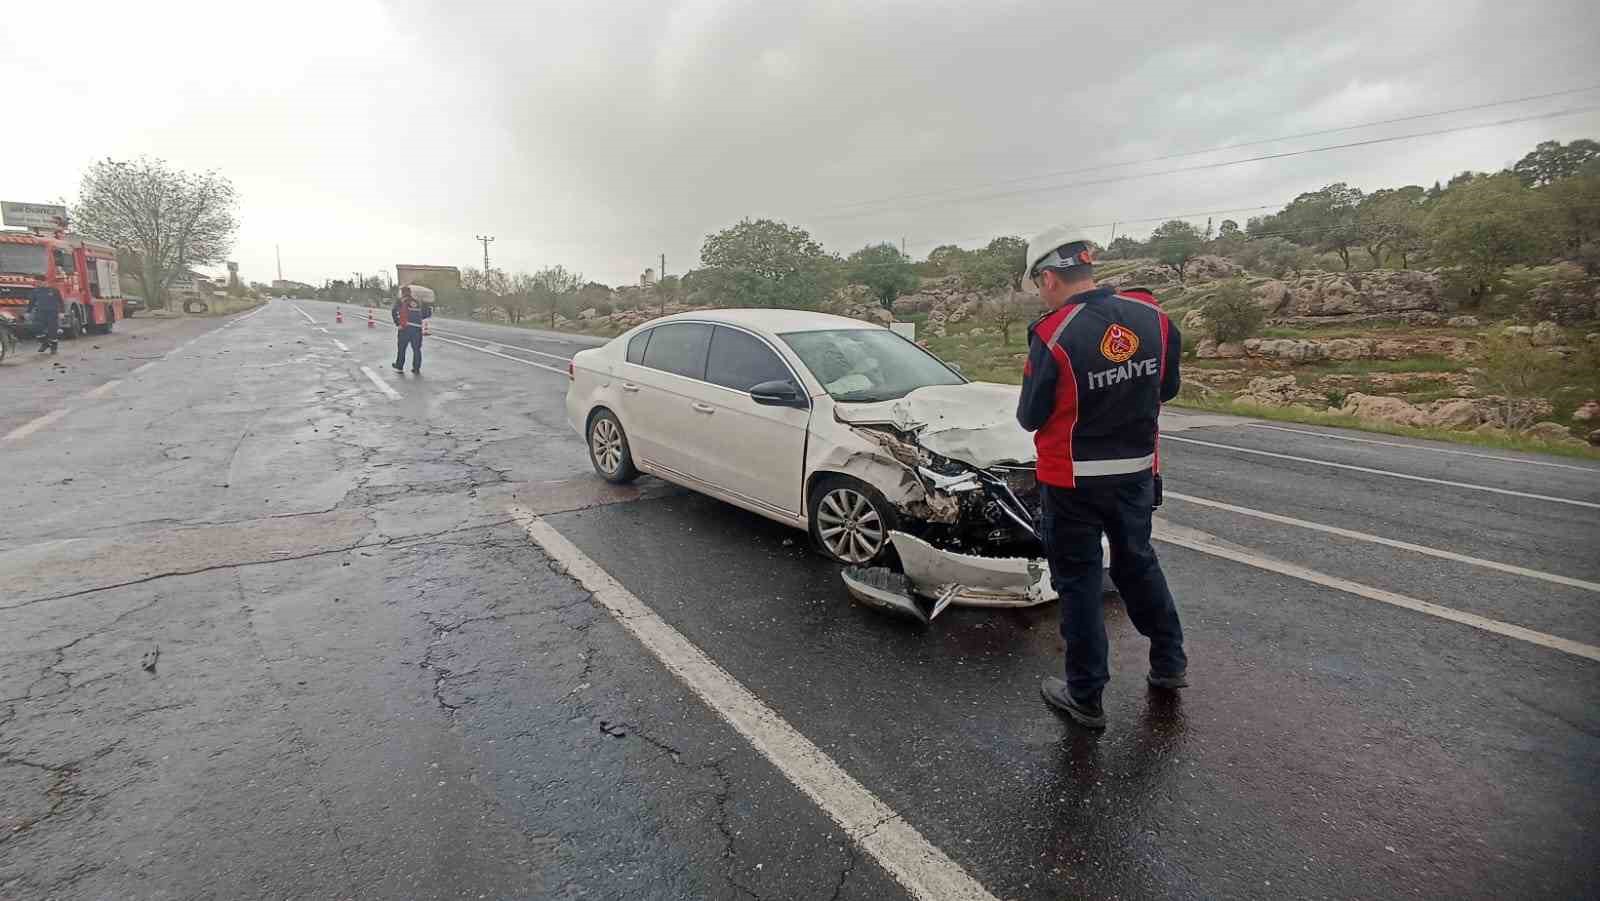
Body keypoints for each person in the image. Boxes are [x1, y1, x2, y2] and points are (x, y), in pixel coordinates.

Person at [1016, 225, 1186, 730]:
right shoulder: (1154, 317)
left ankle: (1086, 695)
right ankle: (1170, 662)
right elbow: (1167, 388)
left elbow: (1030, 416)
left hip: (1071, 482)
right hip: (1135, 475)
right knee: (1139, 564)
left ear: (1049, 278)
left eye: (1039, 284)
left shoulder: (1053, 334)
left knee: (1079, 582)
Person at [391, 286, 432, 373]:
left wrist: (398, 323)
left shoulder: (400, 301)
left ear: (402, 293)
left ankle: (399, 367)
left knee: (402, 348)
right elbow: (426, 315)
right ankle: (416, 368)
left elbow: (394, 312)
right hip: (417, 329)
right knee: (417, 349)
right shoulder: (417, 302)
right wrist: (426, 304)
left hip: (404, 328)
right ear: (410, 293)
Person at [27, 282, 62, 354]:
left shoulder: (54, 290)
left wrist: (62, 312)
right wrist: (28, 312)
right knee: (36, 328)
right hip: (40, 313)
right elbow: (31, 302)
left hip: (52, 313)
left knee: (52, 330)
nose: (39, 283)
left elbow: (60, 301)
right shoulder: (36, 291)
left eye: (41, 282)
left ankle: (54, 348)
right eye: (38, 282)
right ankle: (45, 343)